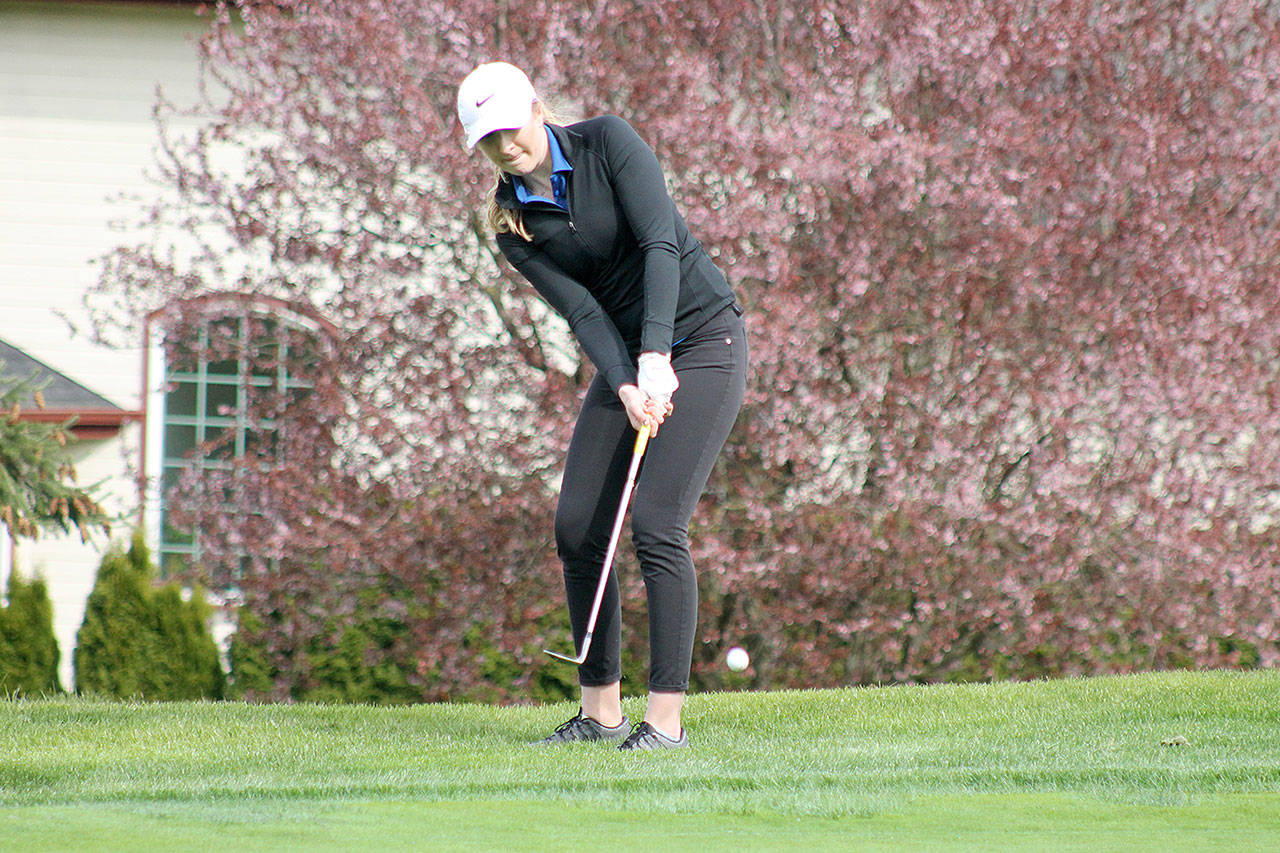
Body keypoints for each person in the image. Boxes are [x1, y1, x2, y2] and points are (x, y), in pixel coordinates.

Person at [456, 61, 748, 751]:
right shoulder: (511, 224)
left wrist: (656, 354)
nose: (503, 146)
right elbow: (582, 311)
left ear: (535, 106)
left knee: (654, 522)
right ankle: (601, 712)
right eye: (486, 140)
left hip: (704, 336)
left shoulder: (608, 142)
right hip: (626, 355)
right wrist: (624, 381)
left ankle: (666, 723)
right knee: (579, 524)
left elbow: (660, 243)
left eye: (508, 127)